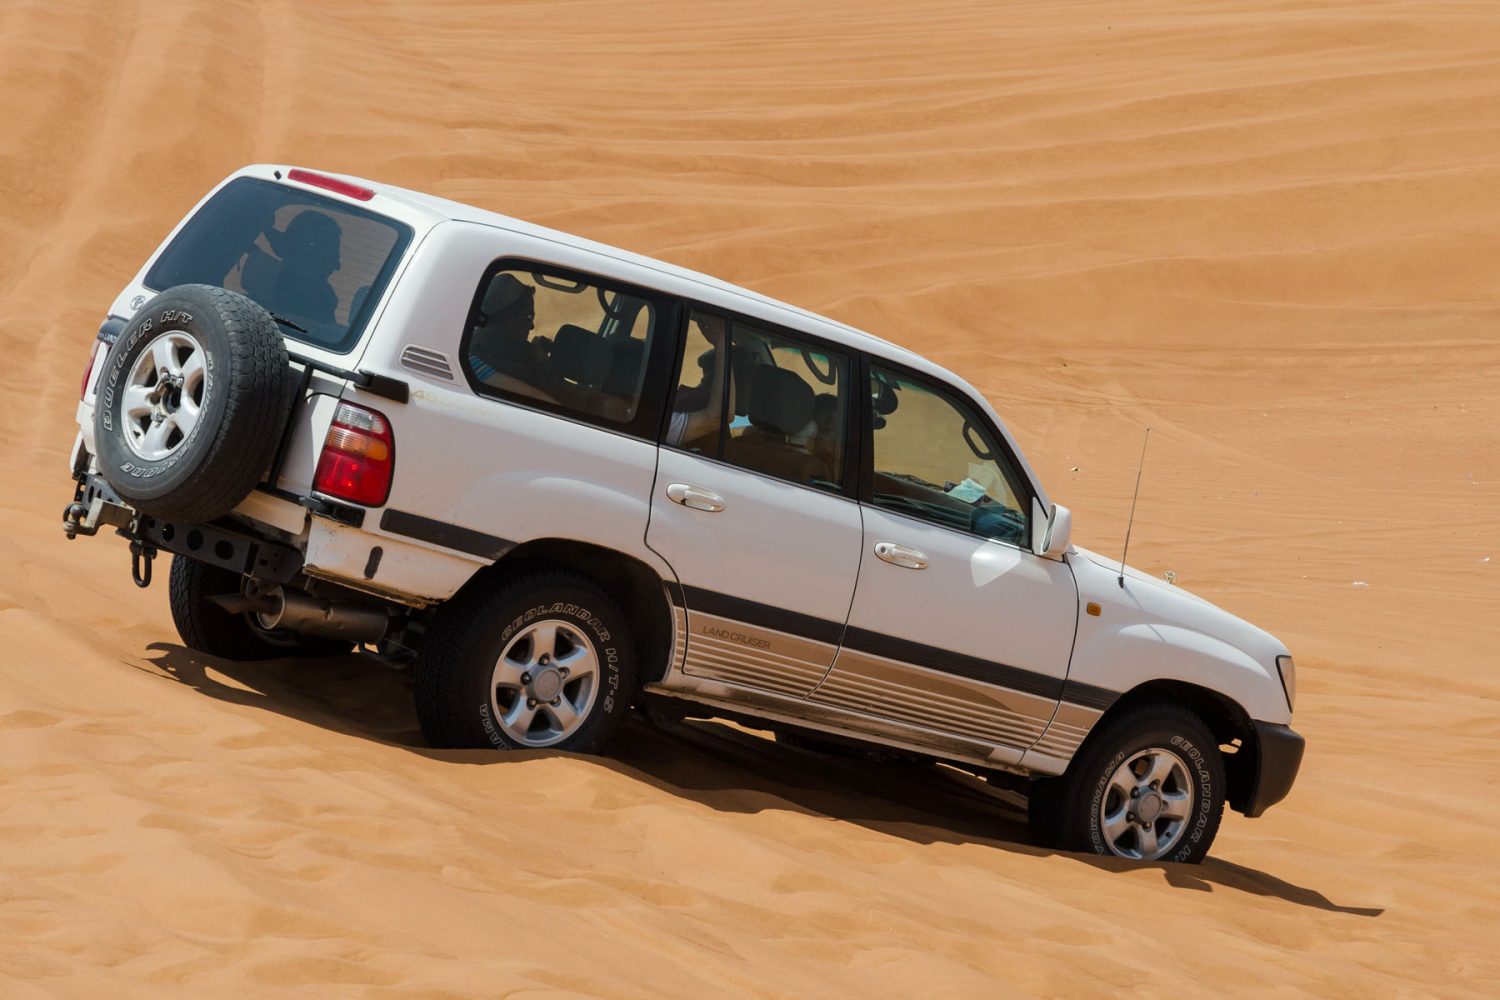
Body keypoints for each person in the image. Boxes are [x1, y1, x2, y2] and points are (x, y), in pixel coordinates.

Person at [469, 273, 555, 401]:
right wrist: (539, 357)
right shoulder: (518, 357)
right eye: (528, 317)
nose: (531, 326)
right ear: (507, 317)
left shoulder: (474, 347)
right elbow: (549, 389)